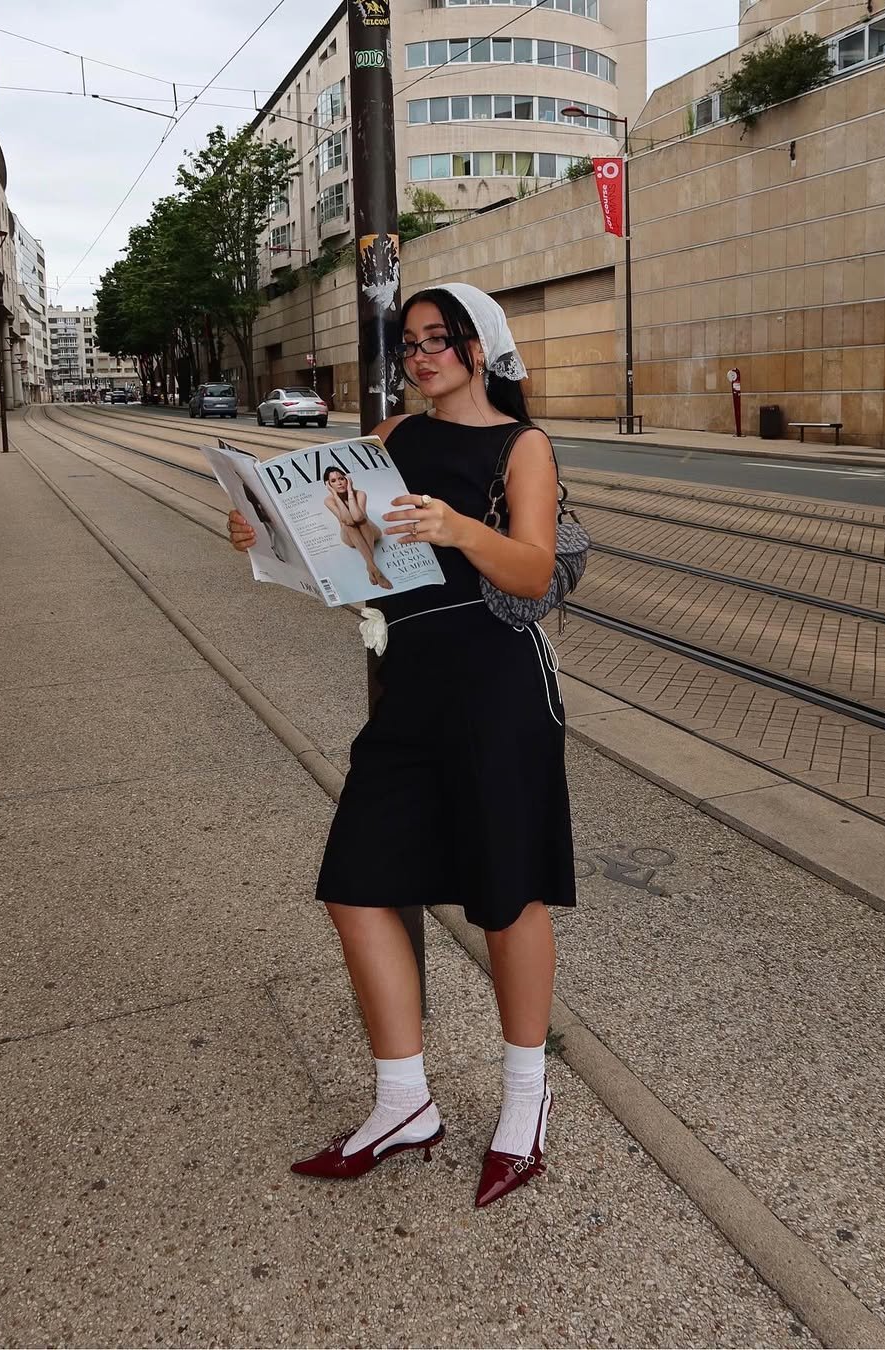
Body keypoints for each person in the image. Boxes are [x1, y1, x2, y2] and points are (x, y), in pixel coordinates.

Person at [228, 283, 573, 1208]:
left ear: (479, 347)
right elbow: (346, 559)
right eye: (410, 343)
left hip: (498, 686)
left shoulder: (522, 445)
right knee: (356, 884)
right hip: (410, 687)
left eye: (438, 340)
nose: (420, 357)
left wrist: (459, 528)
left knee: (506, 895)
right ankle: (403, 1103)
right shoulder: (390, 440)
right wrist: (261, 535)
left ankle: (525, 1100)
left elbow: (535, 569)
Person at [322, 465, 391, 590]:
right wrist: (336, 496)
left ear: (347, 479)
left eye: (341, 478)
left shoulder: (360, 494)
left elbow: (358, 517)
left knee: (362, 521)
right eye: (333, 481)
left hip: (371, 532)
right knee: (348, 525)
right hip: (349, 536)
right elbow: (347, 520)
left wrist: (350, 491)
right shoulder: (329, 500)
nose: (339, 483)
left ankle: (370, 567)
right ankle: (374, 569)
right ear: (329, 485)